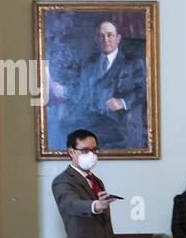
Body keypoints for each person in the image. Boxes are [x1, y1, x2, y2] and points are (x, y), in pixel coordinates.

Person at [52, 20, 147, 149]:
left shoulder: (132, 63)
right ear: (96, 39)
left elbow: (144, 91)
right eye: (101, 36)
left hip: (112, 121)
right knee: (60, 128)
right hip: (86, 117)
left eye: (110, 35)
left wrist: (122, 101)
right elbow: (81, 90)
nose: (105, 39)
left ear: (118, 38)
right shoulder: (89, 63)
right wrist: (63, 90)